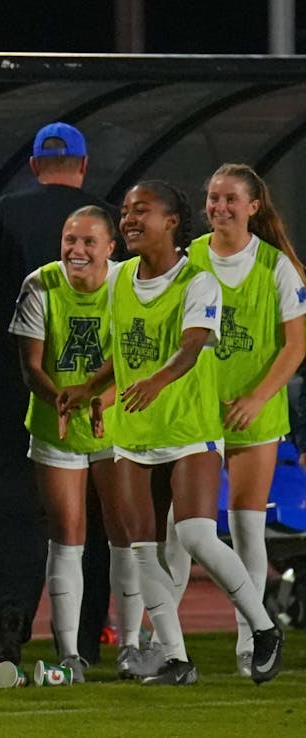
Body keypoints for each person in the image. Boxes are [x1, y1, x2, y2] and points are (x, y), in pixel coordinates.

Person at [58, 180, 285, 685]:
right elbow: (122, 351)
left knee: (196, 535)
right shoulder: (118, 279)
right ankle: (176, 658)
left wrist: (156, 381)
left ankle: (265, 628)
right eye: (126, 212)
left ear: (171, 222)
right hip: (133, 433)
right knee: (141, 550)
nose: (130, 219)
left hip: (190, 429)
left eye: (142, 211)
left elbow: (193, 344)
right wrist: (88, 388)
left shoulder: (198, 282)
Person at [0, 122, 119, 664]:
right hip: (104, 396)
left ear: (34, 165)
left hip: (21, 392)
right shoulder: (104, 214)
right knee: (101, 526)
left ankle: (13, 626)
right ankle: (92, 637)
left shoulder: (5, 210)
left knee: (19, 515)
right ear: (82, 166)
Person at [10, 205, 157, 682]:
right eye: (70, 239)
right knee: (67, 535)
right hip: (57, 423)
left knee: (125, 534)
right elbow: (32, 365)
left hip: (115, 424)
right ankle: (70, 652)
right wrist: (61, 401)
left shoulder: (127, 284)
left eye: (89, 242)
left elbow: (133, 358)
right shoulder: (39, 285)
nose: (77, 250)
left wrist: (100, 399)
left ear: (110, 248)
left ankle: (131, 647)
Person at [171, 163, 306, 676]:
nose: (219, 207)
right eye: (212, 198)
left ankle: (251, 642)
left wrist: (256, 397)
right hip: (196, 416)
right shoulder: (189, 260)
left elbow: (296, 346)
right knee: (180, 531)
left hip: (255, 415)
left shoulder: (276, 267)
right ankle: (165, 641)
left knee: (247, 531)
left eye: (231, 199)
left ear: (254, 207)